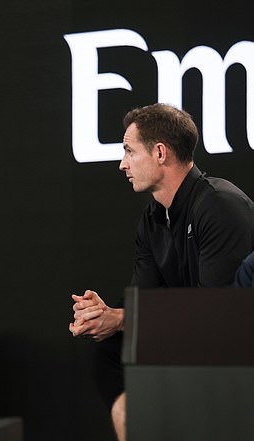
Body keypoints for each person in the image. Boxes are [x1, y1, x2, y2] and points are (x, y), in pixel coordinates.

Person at [69, 103, 254, 441]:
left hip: (235, 348)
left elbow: (222, 318)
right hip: (191, 340)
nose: (122, 163)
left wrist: (122, 318)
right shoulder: (152, 219)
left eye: (128, 150)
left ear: (159, 153)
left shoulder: (219, 205)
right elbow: (143, 304)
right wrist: (103, 316)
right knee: (109, 349)